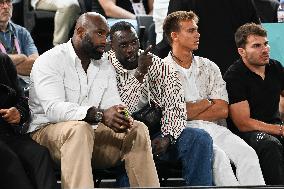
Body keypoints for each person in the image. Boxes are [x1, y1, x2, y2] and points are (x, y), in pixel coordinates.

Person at [28, 12, 160, 189]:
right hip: (46, 136)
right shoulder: (50, 60)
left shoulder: (104, 65)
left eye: (106, 35)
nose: (105, 41)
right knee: (79, 129)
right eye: (100, 33)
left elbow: (113, 106)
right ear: (81, 32)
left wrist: (122, 117)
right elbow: (53, 109)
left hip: (91, 134)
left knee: (137, 129)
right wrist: (99, 114)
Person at [163, 11, 265, 186]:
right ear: (175, 36)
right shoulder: (161, 70)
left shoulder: (209, 66)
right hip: (186, 132)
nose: (198, 34)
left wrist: (188, 109)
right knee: (220, 159)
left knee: (247, 154)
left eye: (197, 30)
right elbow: (172, 114)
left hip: (215, 127)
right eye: (191, 31)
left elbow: (222, 110)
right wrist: (206, 102)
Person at [107, 21, 214, 186]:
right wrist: (140, 72)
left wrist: (168, 137)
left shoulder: (158, 65)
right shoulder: (104, 68)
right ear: (111, 47)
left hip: (156, 132)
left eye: (134, 42)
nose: (130, 49)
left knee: (199, 139)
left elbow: (176, 106)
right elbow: (122, 109)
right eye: (123, 45)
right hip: (122, 135)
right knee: (133, 150)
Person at [224, 23, 284, 185]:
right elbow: (243, 123)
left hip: (275, 127)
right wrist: (279, 129)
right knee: (270, 146)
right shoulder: (234, 76)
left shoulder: (276, 67)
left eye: (265, 44)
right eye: (256, 46)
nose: (265, 49)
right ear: (241, 51)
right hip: (246, 133)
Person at [153, 0, 260, 75]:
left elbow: (173, 36)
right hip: (238, 70)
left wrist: (156, 60)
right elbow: (256, 35)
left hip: (198, 73)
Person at [0, 52, 57, 189]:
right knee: (9, 159)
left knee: (39, 154)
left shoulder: (3, 61)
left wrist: (19, 113)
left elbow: (22, 99)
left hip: (6, 132)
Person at [0, 0, 38, 87]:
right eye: (0, 3)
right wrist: (22, 57)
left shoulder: (22, 32)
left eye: (8, 1)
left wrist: (5, 67)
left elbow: (35, 63)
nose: (6, 6)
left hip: (23, 89)